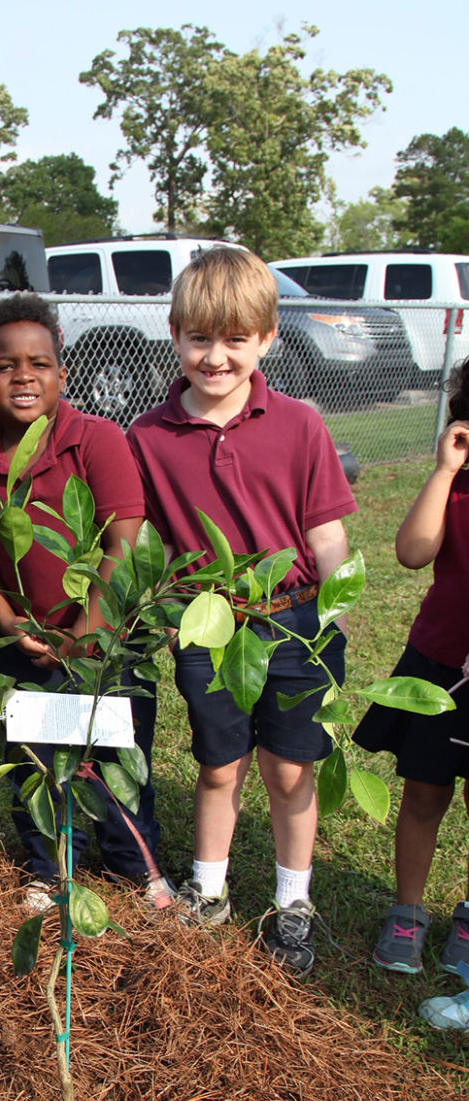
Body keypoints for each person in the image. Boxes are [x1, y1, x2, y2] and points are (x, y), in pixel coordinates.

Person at [127, 246, 357, 976]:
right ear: (175, 336)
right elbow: (148, 543)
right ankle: (210, 891)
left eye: (234, 339)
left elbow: (325, 534)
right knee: (219, 765)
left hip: (293, 622)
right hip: (208, 626)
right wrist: (159, 608)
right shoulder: (148, 437)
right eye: (199, 338)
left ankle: (292, 904)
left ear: (266, 339)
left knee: (289, 771)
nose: (215, 357)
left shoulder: (298, 425)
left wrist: (337, 616)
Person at [0, 293, 164, 909]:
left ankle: (136, 866)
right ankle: (47, 867)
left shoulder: (94, 439)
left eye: (39, 363)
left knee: (114, 755)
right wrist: (11, 623)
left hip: (105, 638)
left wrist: (83, 630)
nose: (23, 376)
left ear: (62, 374)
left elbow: (121, 543)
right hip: (24, 640)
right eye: (4, 365)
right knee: (37, 762)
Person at [354, 363, 469, 986]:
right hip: (439, 670)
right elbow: (412, 552)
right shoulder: (456, 486)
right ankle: (408, 912)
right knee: (425, 794)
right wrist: (446, 470)